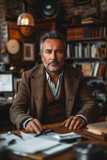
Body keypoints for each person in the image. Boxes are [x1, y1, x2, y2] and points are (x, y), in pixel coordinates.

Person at [10, 31, 99, 134]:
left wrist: (82, 117)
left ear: (64, 54)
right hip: (40, 133)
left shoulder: (76, 75)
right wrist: (26, 121)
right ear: (42, 55)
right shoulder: (28, 76)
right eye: (48, 51)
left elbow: (91, 103)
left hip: (70, 132)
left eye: (58, 51)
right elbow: (15, 109)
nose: (53, 57)